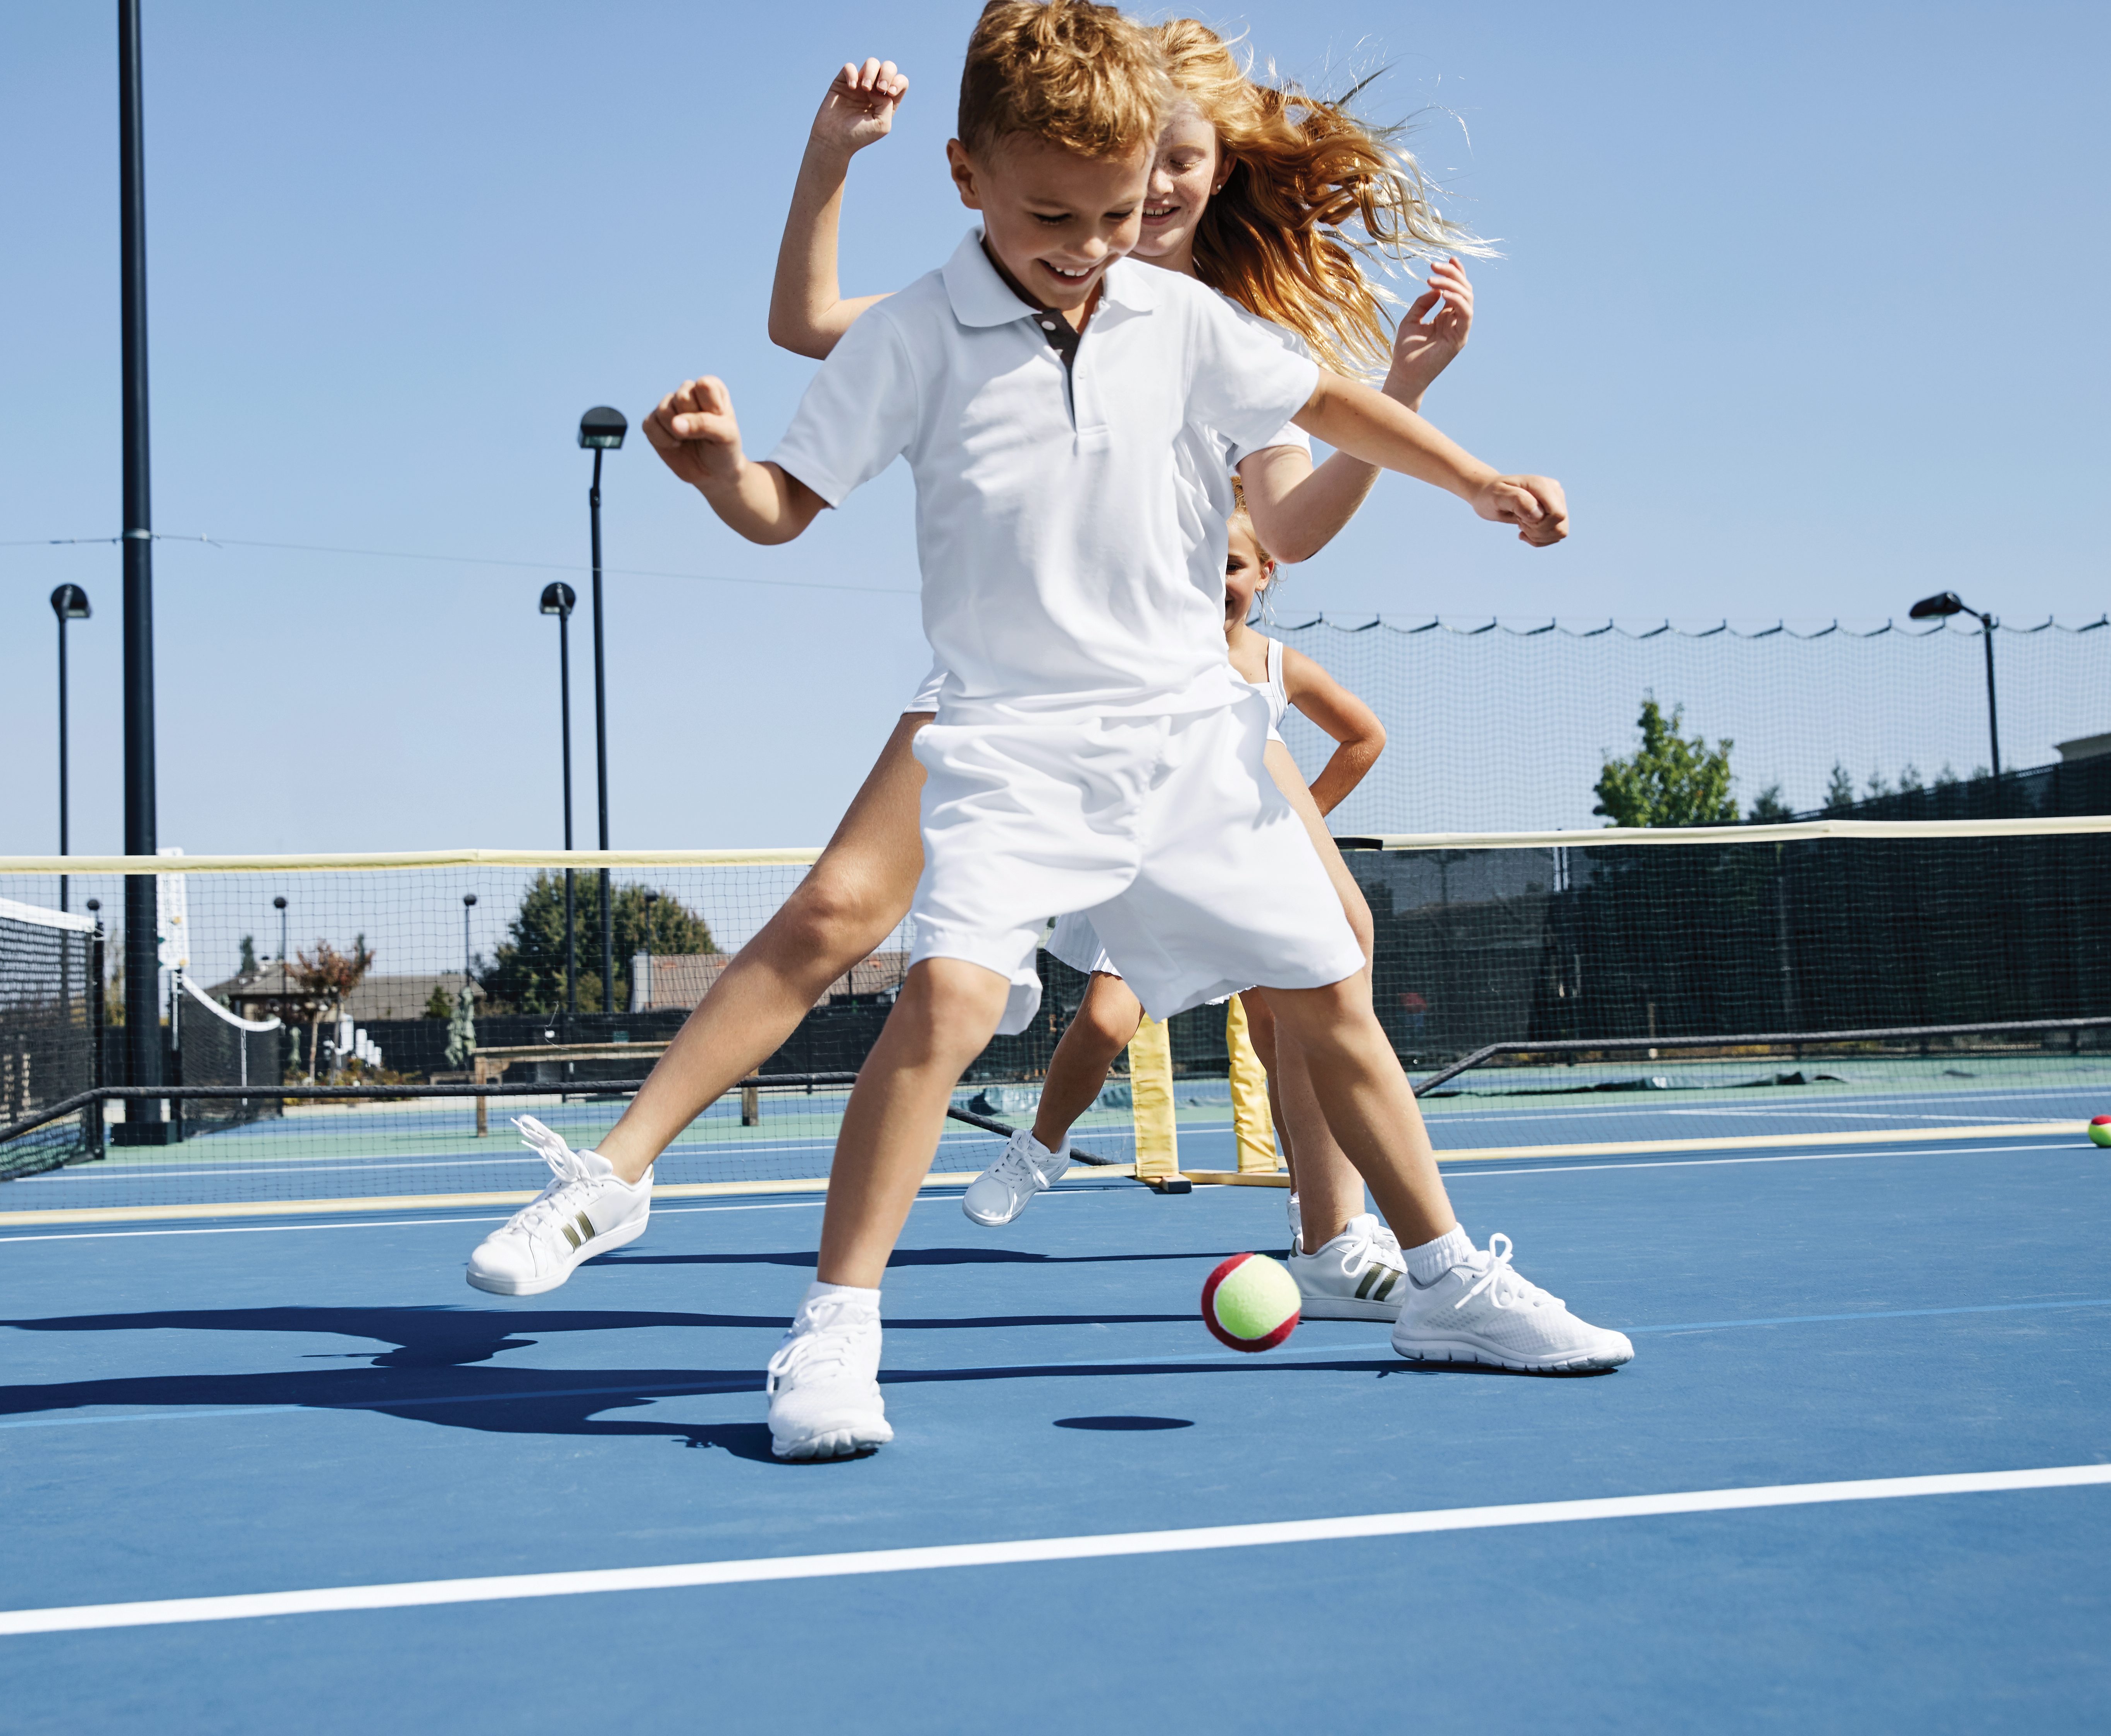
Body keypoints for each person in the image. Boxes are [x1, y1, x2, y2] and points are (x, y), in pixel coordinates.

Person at [649, 0, 1629, 1459]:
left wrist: (1468, 470)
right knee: (936, 994)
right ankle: (830, 1330)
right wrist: (742, 431)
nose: (1129, 209)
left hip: (1187, 711)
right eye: (1101, 185)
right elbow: (804, 377)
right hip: (1011, 718)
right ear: (979, 176)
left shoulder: (1199, 322)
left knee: (1332, 977)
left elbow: (1314, 461)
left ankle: (1430, 1277)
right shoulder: (947, 314)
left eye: (1166, 175)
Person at [464, 26, 1475, 1300]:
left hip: (1178, 695)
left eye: (1183, 161)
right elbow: (807, 325)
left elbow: (1292, 529)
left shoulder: (1226, 336)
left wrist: (1408, 401)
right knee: (837, 910)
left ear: (1217, 172)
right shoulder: (977, 301)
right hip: (1012, 690)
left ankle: (1335, 1236)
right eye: (1136, 157)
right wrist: (832, 159)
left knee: (1333, 941)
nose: (1155, 186)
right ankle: (613, 1178)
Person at [968, 499, 1412, 1326]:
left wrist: (1292, 824)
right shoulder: (1146, 662)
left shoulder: (1277, 667)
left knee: (1286, 1030)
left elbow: (1364, 737)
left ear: (1266, 572)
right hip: (1154, 858)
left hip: (1245, 869)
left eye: (1233, 568)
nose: (1216, 585)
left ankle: (1314, 1203)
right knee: (1104, 1021)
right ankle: (1041, 1149)